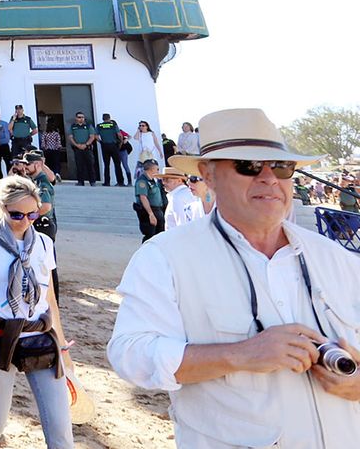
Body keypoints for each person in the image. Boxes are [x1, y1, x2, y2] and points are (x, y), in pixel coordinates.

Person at [108, 107, 360, 446]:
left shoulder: (335, 257)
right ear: (207, 175)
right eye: (249, 166)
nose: (269, 177)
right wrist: (241, 354)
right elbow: (131, 354)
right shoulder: (165, 257)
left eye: (282, 166)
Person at [0, 175, 75, 449]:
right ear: (3, 209)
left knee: (61, 430)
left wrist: (63, 347)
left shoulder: (44, 244)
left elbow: (50, 298)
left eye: (32, 214)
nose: (26, 221)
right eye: (17, 215)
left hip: (39, 337)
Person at [134, 159, 167, 240]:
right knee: (150, 236)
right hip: (149, 211)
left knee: (159, 235)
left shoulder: (154, 180)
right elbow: (143, 197)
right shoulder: (142, 181)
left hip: (158, 210)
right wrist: (150, 214)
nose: (158, 171)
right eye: (157, 169)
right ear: (151, 169)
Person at [67, 112, 97, 186]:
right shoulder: (73, 126)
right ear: (76, 118)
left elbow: (92, 136)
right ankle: (80, 181)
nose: (81, 119)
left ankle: (92, 181)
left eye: (82, 117)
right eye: (79, 117)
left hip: (87, 148)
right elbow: (70, 137)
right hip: (77, 148)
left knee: (90, 165)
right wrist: (77, 145)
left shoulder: (88, 126)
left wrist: (86, 144)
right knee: (79, 165)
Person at [96, 113, 126, 185]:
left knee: (106, 165)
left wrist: (101, 142)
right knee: (117, 164)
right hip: (113, 145)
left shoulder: (99, 126)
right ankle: (120, 182)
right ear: (109, 118)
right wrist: (120, 143)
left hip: (104, 146)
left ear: (103, 118)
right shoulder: (113, 125)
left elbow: (96, 136)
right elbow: (120, 135)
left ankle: (107, 182)